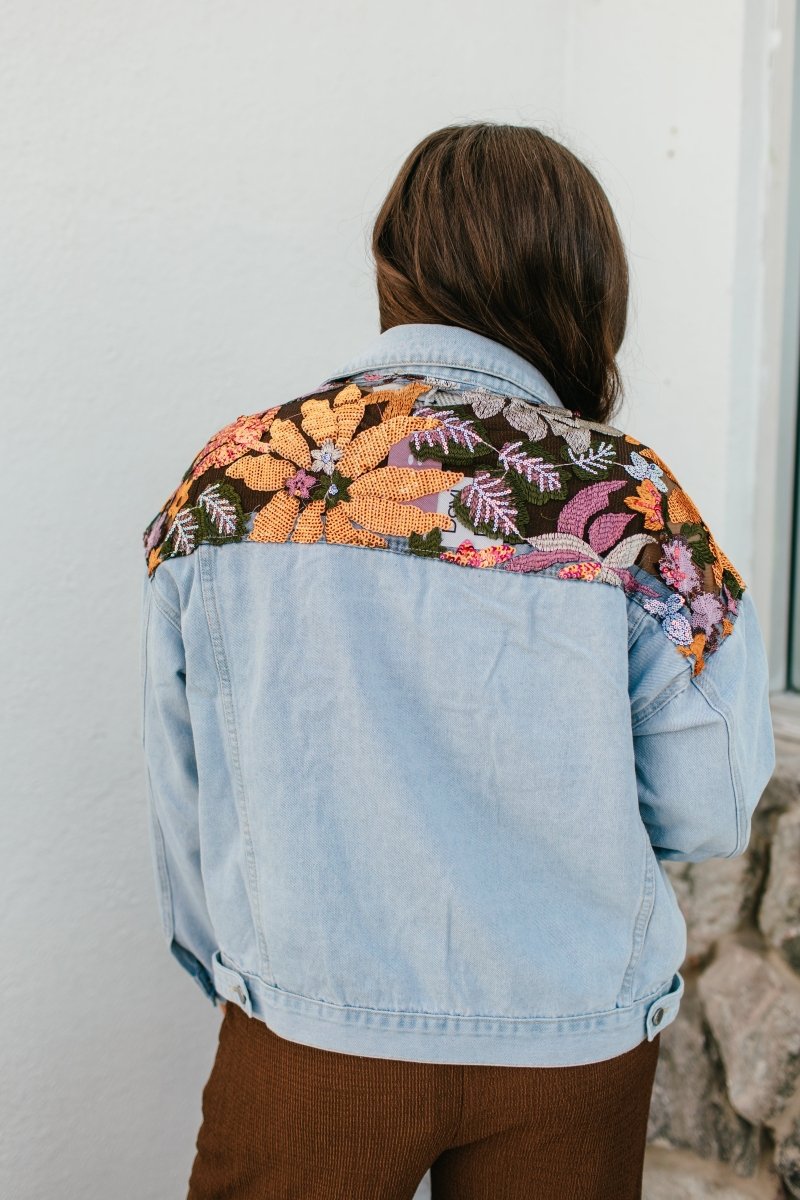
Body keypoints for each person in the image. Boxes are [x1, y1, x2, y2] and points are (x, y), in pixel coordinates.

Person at [140, 122, 776, 1200]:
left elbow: (185, 784)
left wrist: (252, 968)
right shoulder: (628, 500)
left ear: (395, 261)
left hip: (310, 1024)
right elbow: (709, 805)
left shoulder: (237, 479)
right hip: (570, 1041)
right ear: (584, 285)